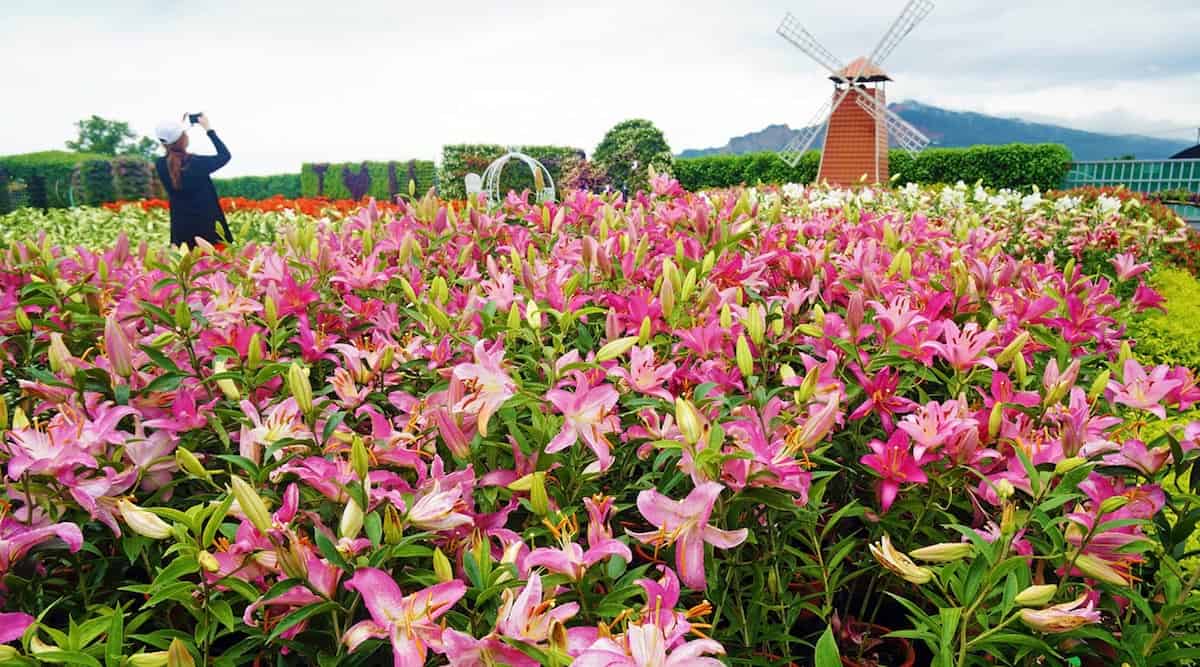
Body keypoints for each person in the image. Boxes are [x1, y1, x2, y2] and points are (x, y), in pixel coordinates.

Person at [154, 114, 233, 248]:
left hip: (182, 233)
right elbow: (225, 155)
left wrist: (176, 131)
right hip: (210, 231)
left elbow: (173, 152)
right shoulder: (195, 163)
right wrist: (208, 129)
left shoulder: (160, 165)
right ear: (183, 138)